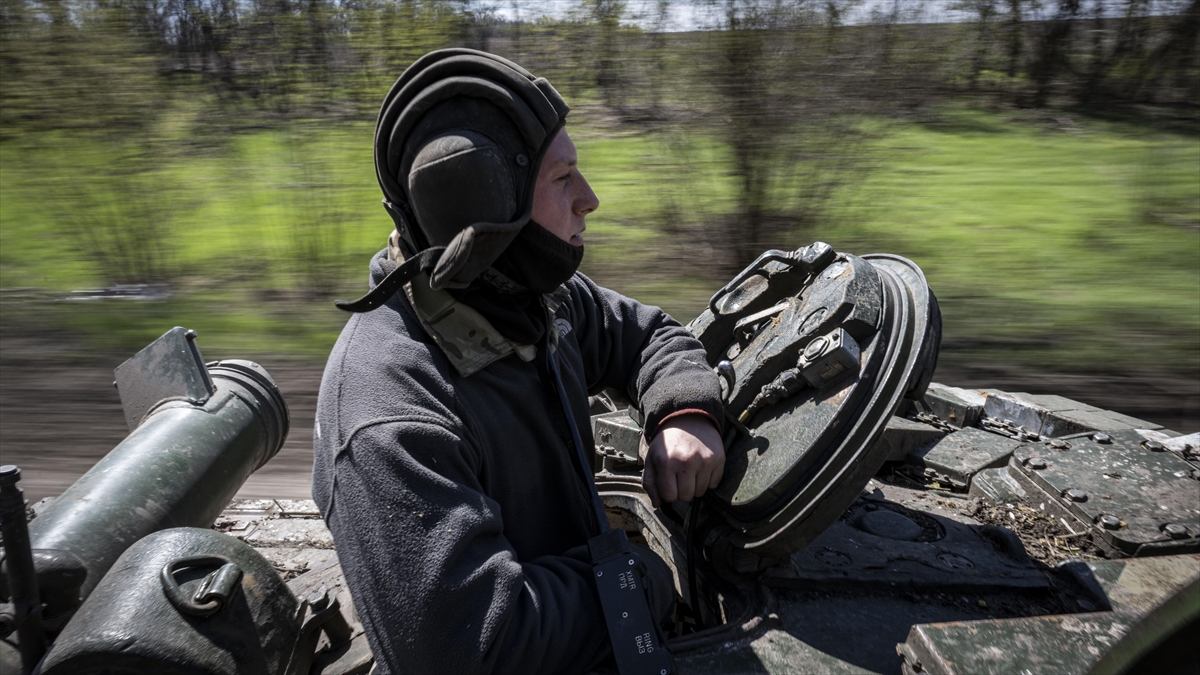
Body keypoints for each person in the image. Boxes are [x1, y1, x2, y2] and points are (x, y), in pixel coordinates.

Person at [312, 49, 725, 675]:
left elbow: (648, 334)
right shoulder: (391, 417)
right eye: (562, 180)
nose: (590, 199)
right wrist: (643, 577)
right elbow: (475, 647)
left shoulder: (533, 299)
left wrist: (684, 410)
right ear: (485, 213)